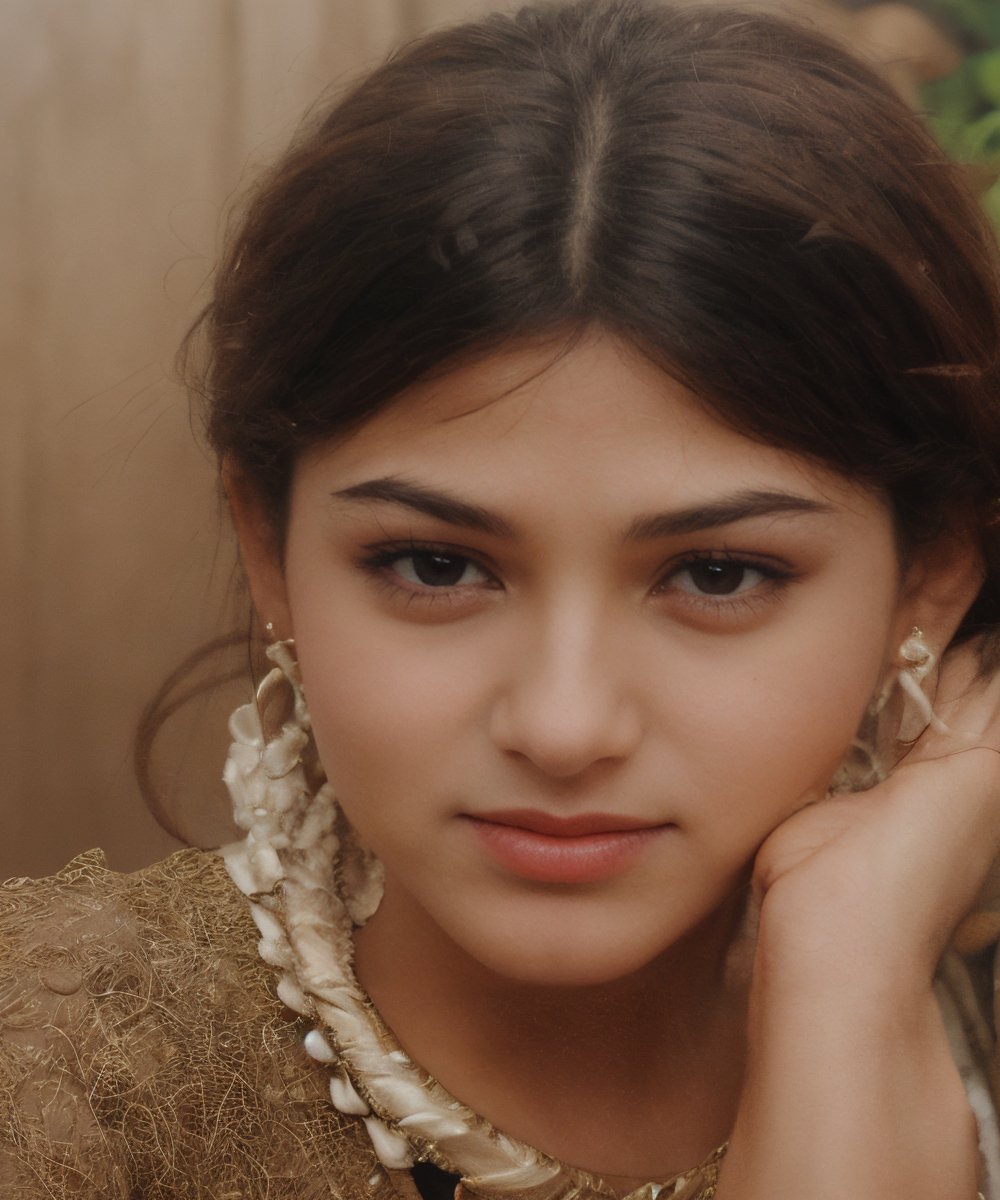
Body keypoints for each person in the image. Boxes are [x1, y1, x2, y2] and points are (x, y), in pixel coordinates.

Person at [3, 0, 1000, 1196]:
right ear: (267, 546)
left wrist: (846, 968)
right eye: (435, 566)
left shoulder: (934, 995)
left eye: (717, 574)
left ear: (931, 576)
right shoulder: (57, 1083)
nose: (564, 726)